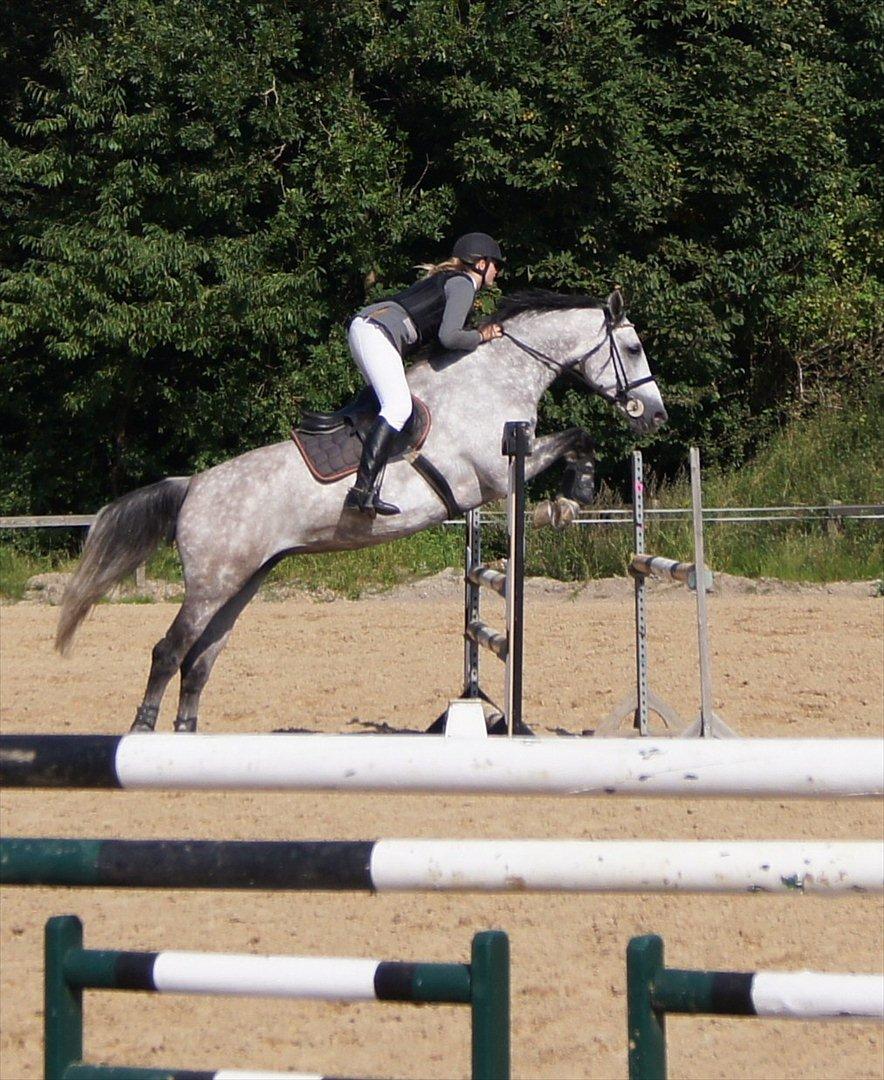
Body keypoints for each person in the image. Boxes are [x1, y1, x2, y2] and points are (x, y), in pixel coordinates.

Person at [344, 232, 505, 517]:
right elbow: (450, 337)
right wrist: (481, 335)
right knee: (398, 407)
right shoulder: (464, 283)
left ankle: (364, 478)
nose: (498, 272)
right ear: (480, 263)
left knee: (388, 408)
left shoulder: (449, 280)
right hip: (376, 331)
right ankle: (361, 490)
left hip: (369, 328)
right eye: (496, 264)